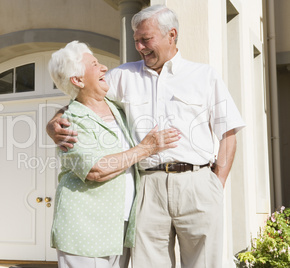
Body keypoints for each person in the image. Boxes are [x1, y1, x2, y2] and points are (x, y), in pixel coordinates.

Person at [47, 5, 245, 268]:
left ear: (171, 35)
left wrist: (215, 185)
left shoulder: (204, 76)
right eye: (136, 41)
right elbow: (84, 97)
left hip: (197, 183)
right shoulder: (123, 76)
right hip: (147, 187)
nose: (139, 47)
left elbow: (228, 133)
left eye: (146, 39)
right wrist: (53, 122)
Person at [47, 41, 180, 268]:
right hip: (85, 228)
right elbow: (96, 169)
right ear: (77, 80)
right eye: (95, 64)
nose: (103, 68)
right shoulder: (70, 122)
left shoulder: (116, 108)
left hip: (121, 225)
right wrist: (146, 148)